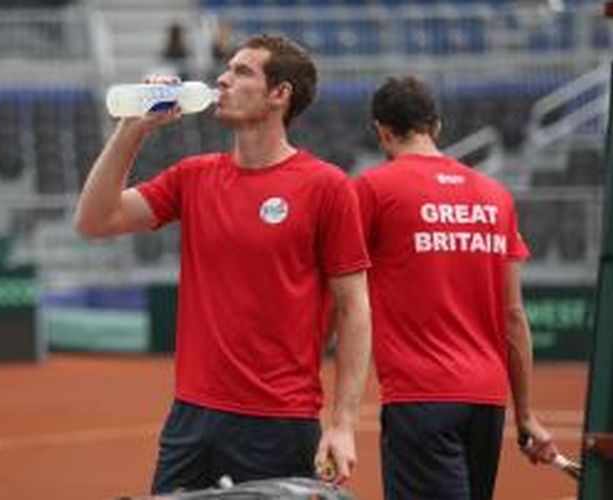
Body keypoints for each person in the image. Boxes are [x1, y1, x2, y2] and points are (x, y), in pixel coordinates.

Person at [75, 34, 372, 494]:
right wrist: (132, 128)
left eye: (241, 72)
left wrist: (343, 423)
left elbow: (354, 309)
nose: (222, 78)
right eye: (227, 69)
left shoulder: (327, 187)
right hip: (191, 419)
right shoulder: (193, 177)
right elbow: (95, 220)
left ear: (280, 95)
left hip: (279, 420)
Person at [354, 76, 559, 500]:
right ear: (438, 126)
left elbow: (339, 286)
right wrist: (525, 415)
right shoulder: (496, 196)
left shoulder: (372, 189)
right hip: (487, 401)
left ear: (381, 130)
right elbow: (514, 315)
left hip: (420, 397)